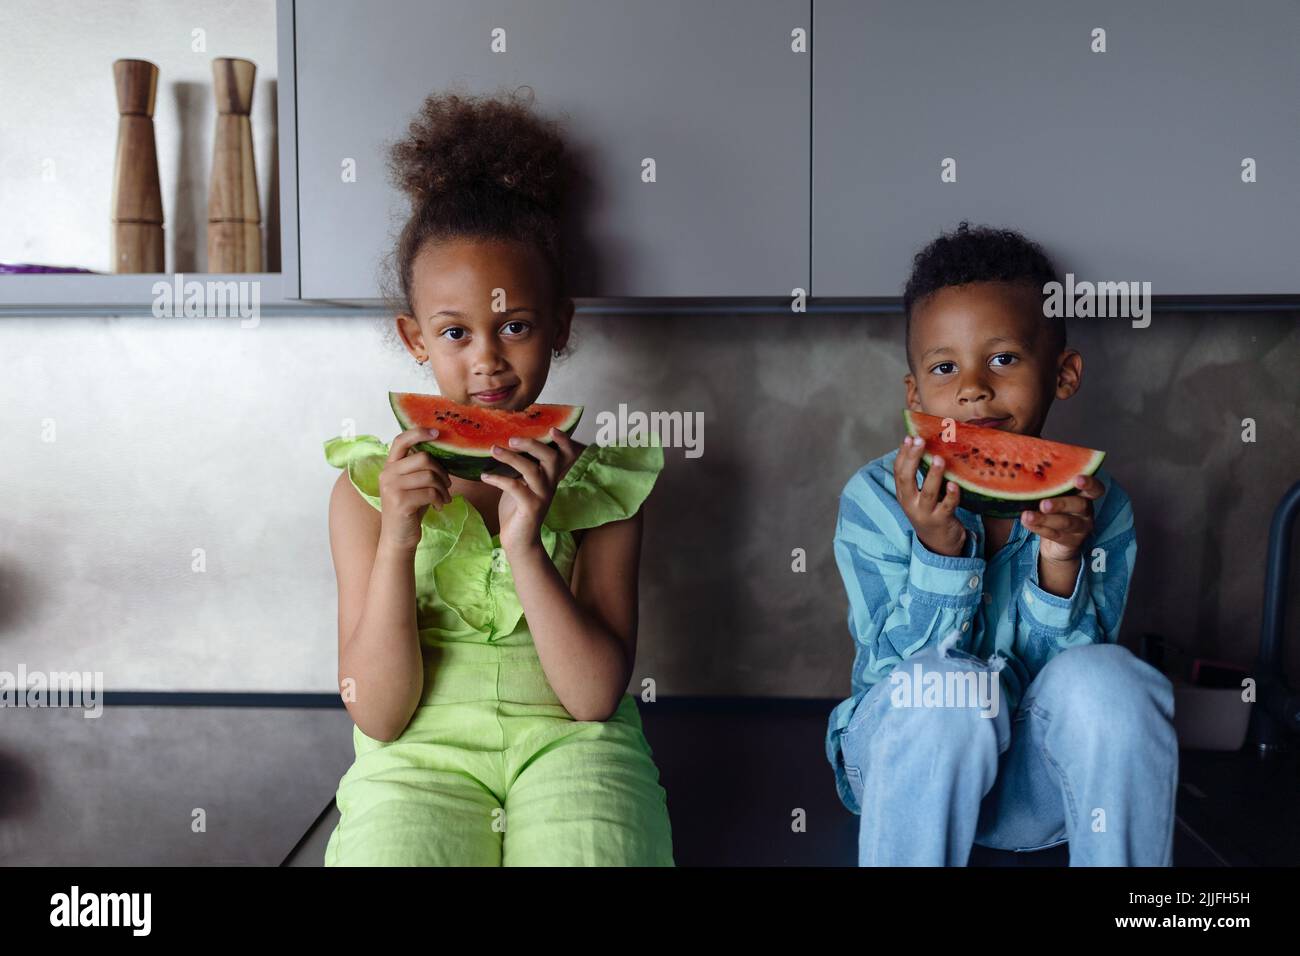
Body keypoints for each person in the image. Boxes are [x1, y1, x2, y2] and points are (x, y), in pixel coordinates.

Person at [322, 89, 672, 866]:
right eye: (455, 332)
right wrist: (396, 542)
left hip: (574, 749)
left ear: (560, 326)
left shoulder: (606, 488)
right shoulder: (364, 491)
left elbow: (590, 699)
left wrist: (526, 544)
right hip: (417, 756)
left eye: (514, 325)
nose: (487, 358)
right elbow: (377, 715)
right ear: (415, 338)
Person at [825, 221, 1178, 866]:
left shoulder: (1101, 506)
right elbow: (889, 673)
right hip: (905, 776)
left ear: (1064, 373)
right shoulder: (876, 499)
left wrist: (1061, 562)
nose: (973, 388)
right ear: (914, 394)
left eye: (1004, 359)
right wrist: (939, 551)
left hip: (1037, 790)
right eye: (943, 367)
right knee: (944, 691)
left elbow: (1070, 691)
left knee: (1114, 680)